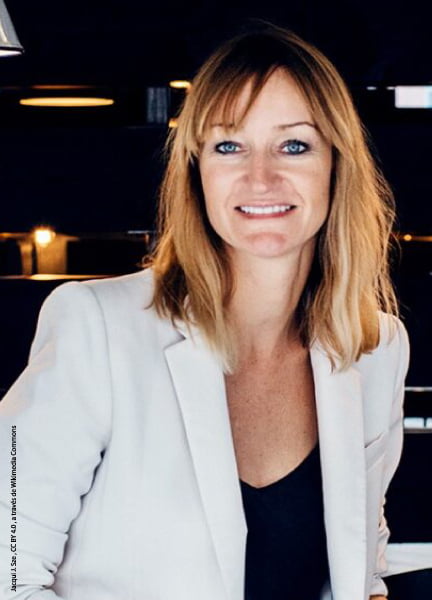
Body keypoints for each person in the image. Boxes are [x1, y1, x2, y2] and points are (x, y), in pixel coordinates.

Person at [0, 21, 430, 600]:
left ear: (337, 164)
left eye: (294, 145)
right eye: (229, 146)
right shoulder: (96, 327)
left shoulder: (374, 345)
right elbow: (6, 567)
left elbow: (360, 567)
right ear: (196, 170)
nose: (261, 177)